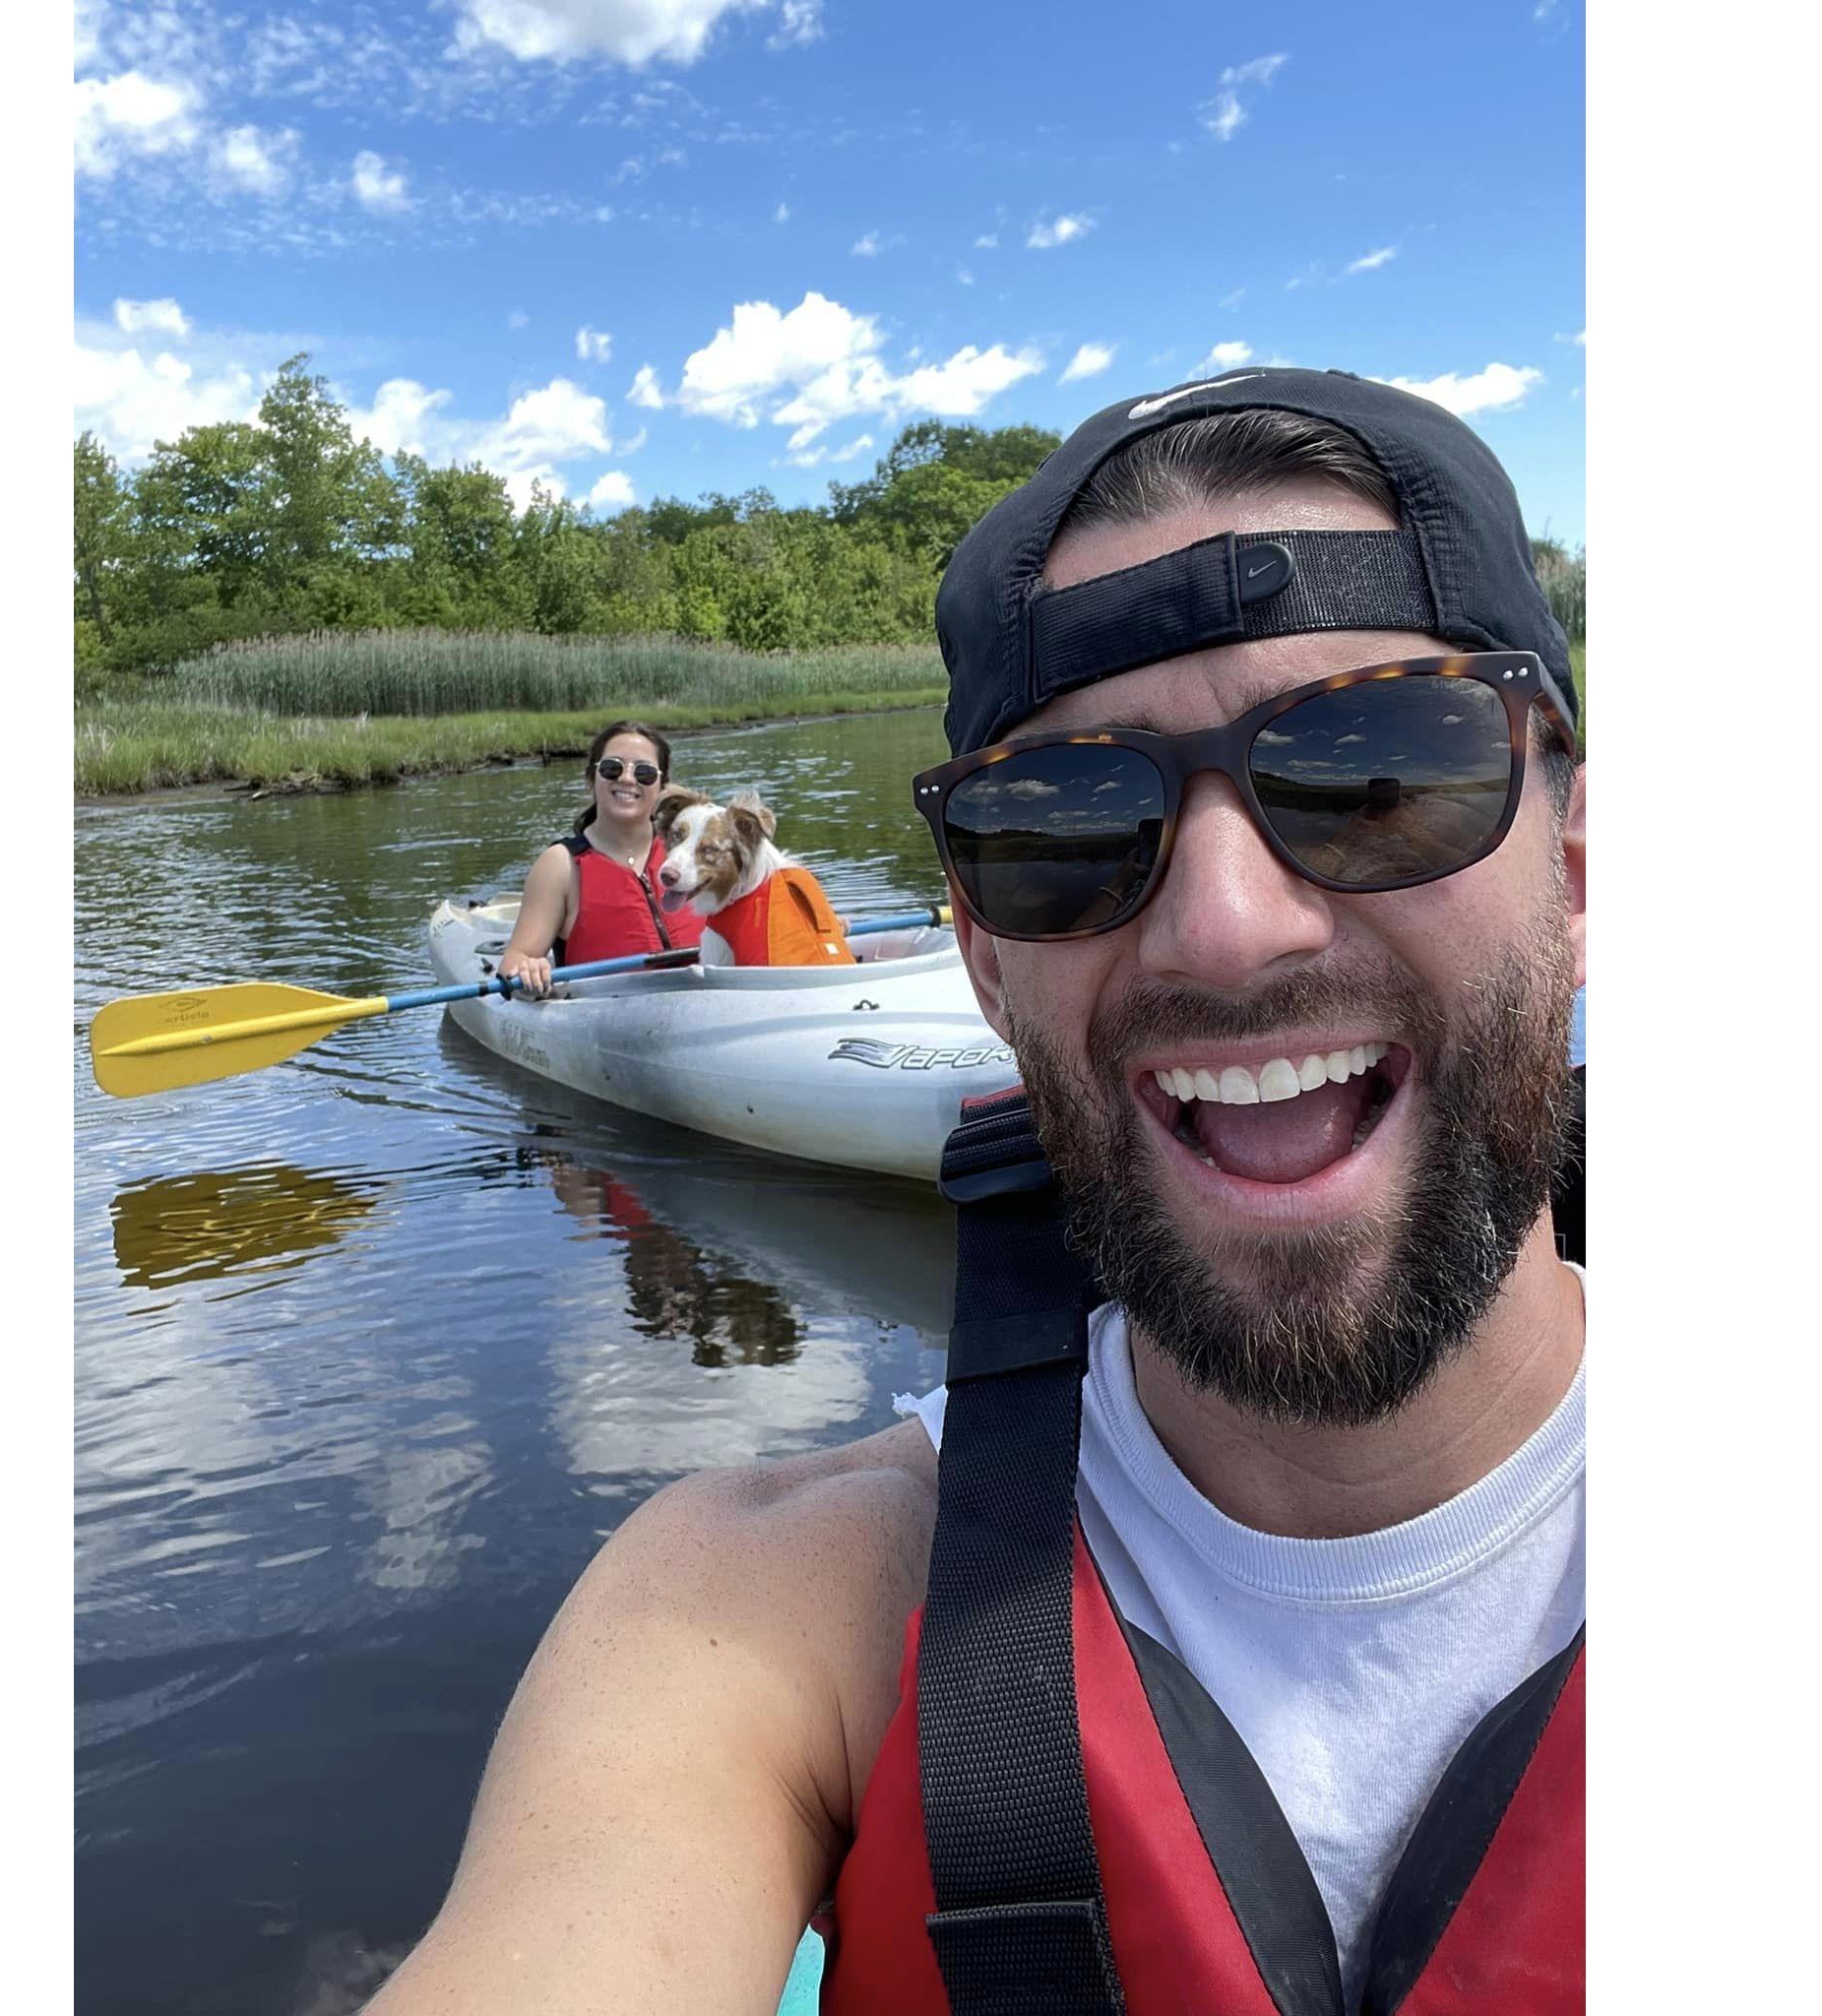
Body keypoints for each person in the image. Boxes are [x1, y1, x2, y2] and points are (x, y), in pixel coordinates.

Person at [370, 370, 1587, 2015]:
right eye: (1068, 819)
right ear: (983, 962)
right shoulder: (758, 1616)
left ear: (1576, 872)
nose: (1227, 926)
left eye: (1375, 769)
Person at [495, 721, 704, 997]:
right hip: (605, 1021)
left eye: (644, 772)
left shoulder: (690, 852)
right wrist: (528, 969)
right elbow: (515, 961)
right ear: (591, 778)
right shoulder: (560, 865)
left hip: (707, 1008)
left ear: (662, 786)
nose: (627, 779)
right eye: (612, 768)